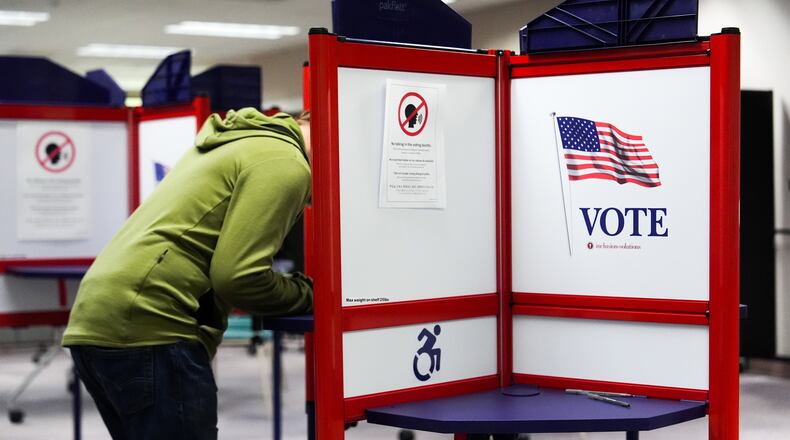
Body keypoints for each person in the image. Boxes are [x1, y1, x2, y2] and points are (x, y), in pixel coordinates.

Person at [62, 108, 313, 440]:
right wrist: (313, 294)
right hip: (150, 321)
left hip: (98, 317)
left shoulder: (235, 143)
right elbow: (239, 277)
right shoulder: (285, 164)